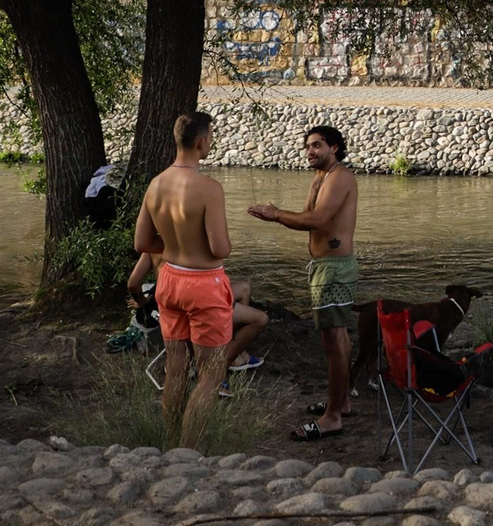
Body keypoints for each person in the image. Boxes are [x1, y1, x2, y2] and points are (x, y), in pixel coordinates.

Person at [248, 124, 358, 441]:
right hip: (325, 267)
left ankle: (333, 417)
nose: (310, 151)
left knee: (333, 342)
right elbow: (309, 218)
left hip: (334, 270)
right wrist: (287, 209)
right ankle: (343, 401)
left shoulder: (340, 177)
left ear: (335, 147)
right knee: (338, 339)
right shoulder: (322, 177)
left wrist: (276, 214)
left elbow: (319, 221)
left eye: (317, 145)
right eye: (307, 146)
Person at [133, 111, 233, 448]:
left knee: (176, 368)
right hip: (203, 284)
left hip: (169, 280)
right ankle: (189, 452)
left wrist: (174, 245)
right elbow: (220, 247)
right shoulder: (209, 188)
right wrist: (220, 246)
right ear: (202, 142)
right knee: (211, 373)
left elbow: (141, 243)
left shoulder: (156, 183)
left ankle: (170, 442)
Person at [124, 252, 267, 380]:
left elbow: (133, 283)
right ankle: (220, 364)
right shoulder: (185, 242)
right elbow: (220, 251)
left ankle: (234, 352)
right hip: (195, 303)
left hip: (165, 302)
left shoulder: (156, 242)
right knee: (259, 319)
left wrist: (144, 302)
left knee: (244, 288)